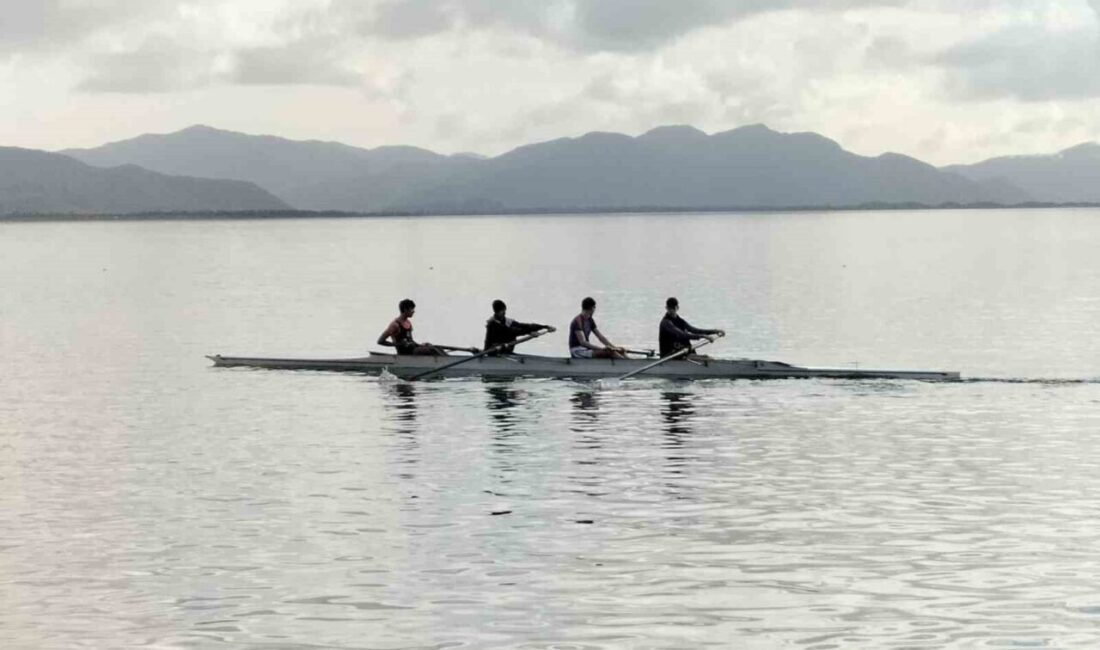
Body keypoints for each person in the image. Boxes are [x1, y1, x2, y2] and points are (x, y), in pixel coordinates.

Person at [659, 297, 725, 357]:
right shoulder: (666, 322)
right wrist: (703, 336)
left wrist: (714, 331)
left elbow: (694, 330)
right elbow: (682, 335)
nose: (671, 311)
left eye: (673, 308)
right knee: (705, 358)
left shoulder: (680, 321)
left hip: (681, 351)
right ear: (666, 308)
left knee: (706, 357)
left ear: (677, 308)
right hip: (670, 354)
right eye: (669, 308)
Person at [484, 299, 555, 354]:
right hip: (494, 349)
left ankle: (506, 352)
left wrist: (545, 327)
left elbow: (525, 326)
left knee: (521, 327)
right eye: (502, 311)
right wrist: (529, 333)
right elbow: (511, 331)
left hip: (505, 349)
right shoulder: (492, 324)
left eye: (504, 310)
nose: (504, 313)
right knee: (513, 331)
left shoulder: (508, 321)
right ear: (496, 312)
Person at [377, 299, 445, 355]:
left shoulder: (408, 322)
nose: (413, 311)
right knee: (431, 350)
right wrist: (398, 344)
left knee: (433, 347)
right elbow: (380, 341)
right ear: (405, 310)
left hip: (413, 349)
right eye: (412, 309)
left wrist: (420, 345)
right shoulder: (395, 325)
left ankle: (447, 360)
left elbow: (410, 340)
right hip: (405, 353)